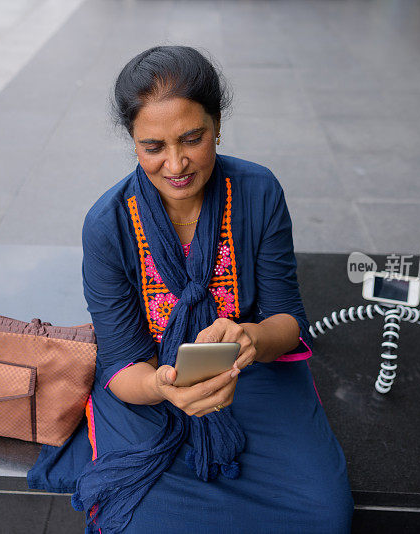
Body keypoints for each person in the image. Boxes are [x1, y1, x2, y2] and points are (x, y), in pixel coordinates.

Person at [28, 45, 353, 533]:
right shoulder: (108, 225)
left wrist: (252, 338)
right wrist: (162, 387)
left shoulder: (257, 192)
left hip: (251, 374)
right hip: (153, 387)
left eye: (192, 139)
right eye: (153, 147)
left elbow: (288, 319)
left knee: (322, 513)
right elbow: (120, 364)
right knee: (146, 522)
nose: (176, 165)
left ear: (217, 125)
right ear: (133, 142)